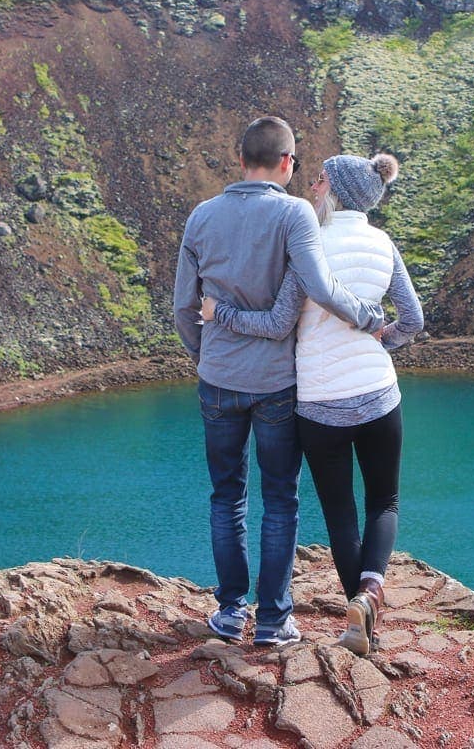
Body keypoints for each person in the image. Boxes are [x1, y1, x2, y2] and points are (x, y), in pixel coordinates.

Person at [173, 117, 383, 648]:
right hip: (275, 386)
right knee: (280, 499)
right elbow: (319, 285)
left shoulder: (202, 216)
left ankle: (227, 613)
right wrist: (368, 317)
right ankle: (272, 622)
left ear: (241, 157)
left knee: (226, 496)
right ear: (287, 163)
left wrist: (209, 357)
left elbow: (182, 308)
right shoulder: (294, 213)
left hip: (217, 380)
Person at [202, 152, 423, 655]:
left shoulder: (307, 244)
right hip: (379, 395)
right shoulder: (383, 243)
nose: (314, 186)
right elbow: (412, 320)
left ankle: (358, 619)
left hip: (320, 404)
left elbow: (278, 324)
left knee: (341, 514)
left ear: (336, 189)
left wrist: (222, 314)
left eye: (321, 179)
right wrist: (375, 344)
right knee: (383, 500)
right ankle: (369, 595)